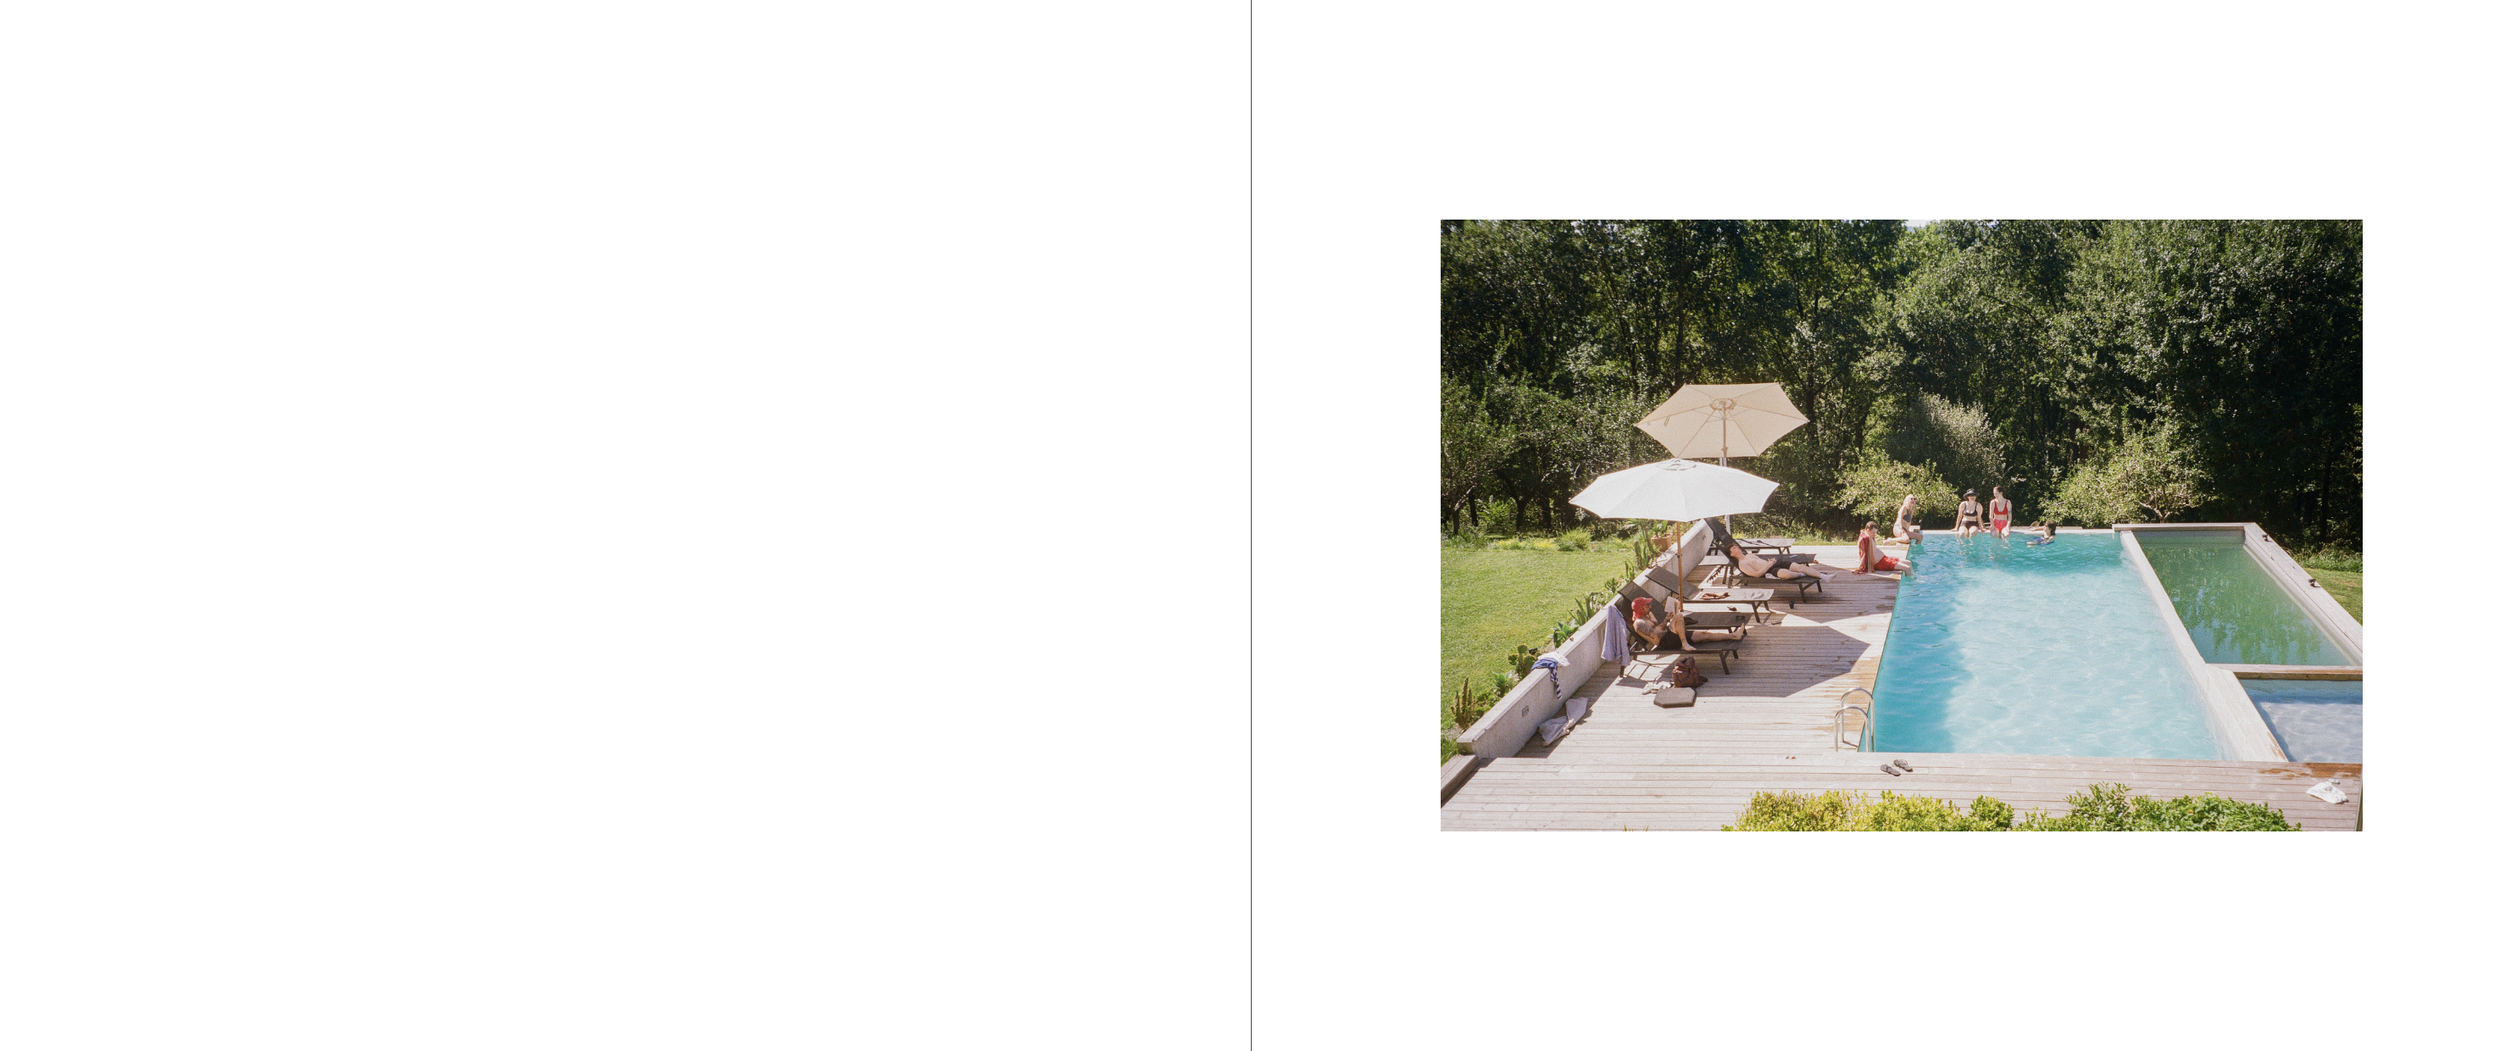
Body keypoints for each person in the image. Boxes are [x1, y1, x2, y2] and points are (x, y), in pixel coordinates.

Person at [1727, 540, 1835, 581]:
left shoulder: (1749, 555)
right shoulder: (1742, 564)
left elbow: (1761, 562)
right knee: (1787, 574)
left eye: (1736, 546)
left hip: (1773, 563)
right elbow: (1756, 574)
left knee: (1800, 566)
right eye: (1734, 548)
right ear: (1732, 554)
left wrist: (1770, 561)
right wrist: (1768, 565)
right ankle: (1802, 575)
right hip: (1770, 571)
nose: (1737, 547)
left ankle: (1824, 577)